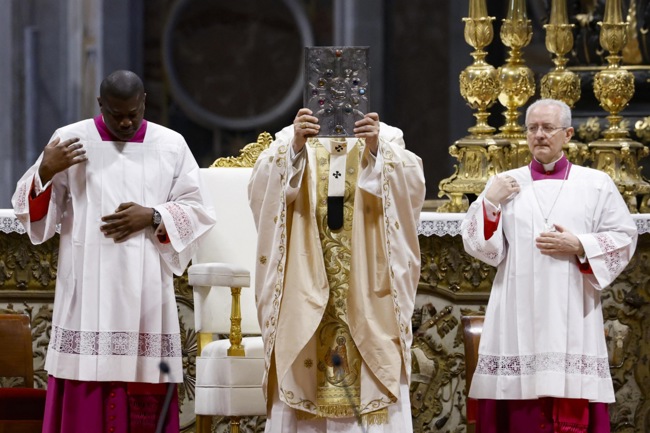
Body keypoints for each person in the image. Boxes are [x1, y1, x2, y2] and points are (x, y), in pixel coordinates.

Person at [12, 70, 216, 433]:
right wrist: (45, 171)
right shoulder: (71, 140)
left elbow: (199, 210)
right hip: (87, 289)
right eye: (116, 114)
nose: (125, 122)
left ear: (144, 104)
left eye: (132, 114)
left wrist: (153, 215)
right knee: (84, 382)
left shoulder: (171, 145)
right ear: (100, 105)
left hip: (146, 289)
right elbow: (35, 216)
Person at [461, 98, 638, 433]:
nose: (539, 135)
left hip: (572, 306)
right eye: (532, 128)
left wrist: (580, 246)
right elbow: (483, 248)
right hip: (516, 309)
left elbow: (624, 237)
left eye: (547, 128)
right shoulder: (505, 184)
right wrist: (490, 203)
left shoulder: (595, 184)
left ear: (567, 134)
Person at [248, 107, 426, 432]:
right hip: (305, 278)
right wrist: (295, 149)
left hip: (365, 286)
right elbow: (262, 191)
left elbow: (411, 188)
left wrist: (377, 150)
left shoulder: (386, 136)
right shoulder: (290, 137)